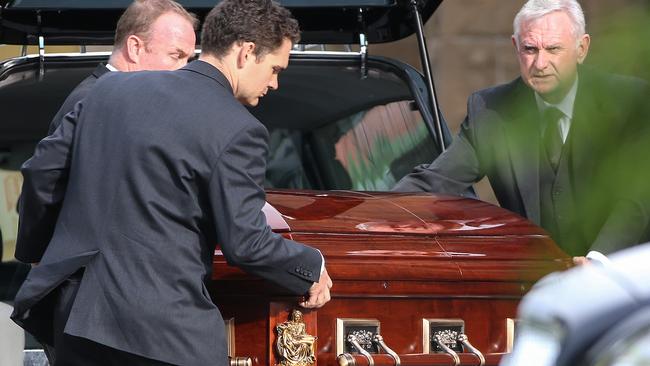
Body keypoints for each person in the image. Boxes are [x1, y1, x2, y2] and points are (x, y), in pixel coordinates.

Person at [11, 0, 333, 365]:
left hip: (75, 320)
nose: (274, 82)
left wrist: (37, 255)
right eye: (275, 68)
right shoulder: (239, 128)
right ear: (246, 52)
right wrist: (311, 265)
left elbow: (43, 172)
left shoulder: (107, 90)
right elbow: (246, 242)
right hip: (164, 336)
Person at [394, 0, 650, 264]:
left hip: (624, 278)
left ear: (581, 48)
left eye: (553, 49)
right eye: (530, 49)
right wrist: (366, 213)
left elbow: (637, 199)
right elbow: (438, 180)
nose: (540, 63)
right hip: (536, 280)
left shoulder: (630, 102)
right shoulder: (492, 111)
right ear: (516, 47)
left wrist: (598, 260)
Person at [47, 0, 198, 135]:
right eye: (176, 55)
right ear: (135, 48)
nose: (185, 69)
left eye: (188, 59)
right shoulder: (91, 103)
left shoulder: (123, 100)